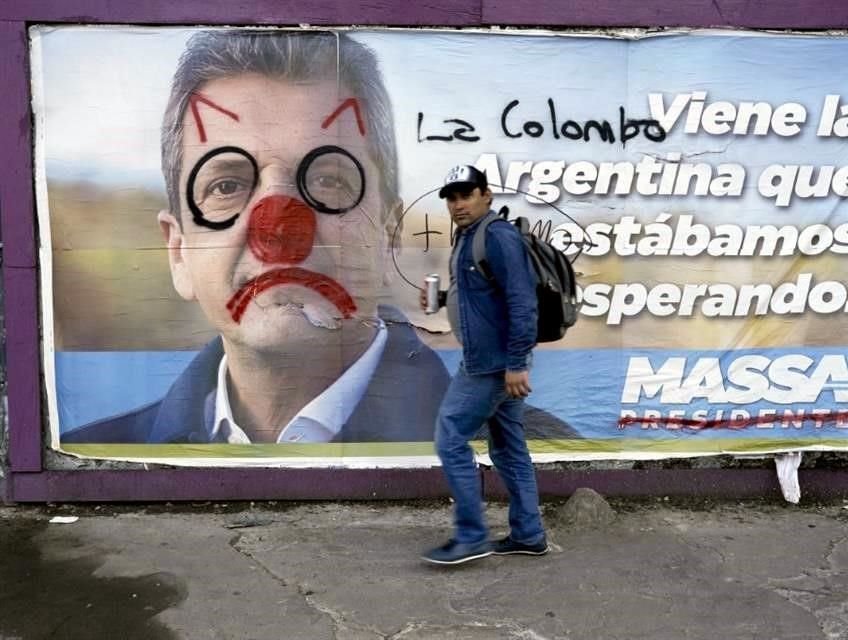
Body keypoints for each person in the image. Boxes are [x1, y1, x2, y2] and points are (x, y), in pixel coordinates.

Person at [63, 30, 578, 446]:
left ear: (388, 235)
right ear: (177, 251)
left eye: (330, 180)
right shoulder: (98, 453)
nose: (279, 229)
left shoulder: (525, 452)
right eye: (226, 185)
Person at [421, 165, 549, 565]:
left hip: (491, 365)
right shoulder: (469, 236)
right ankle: (529, 534)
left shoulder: (498, 235)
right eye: (452, 197)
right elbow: (483, 298)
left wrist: (515, 363)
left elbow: (522, 302)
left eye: (466, 195)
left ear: (486, 195)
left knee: (449, 436)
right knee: (509, 448)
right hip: (490, 359)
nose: (458, 204)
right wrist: (444, 301)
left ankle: (471, 536)